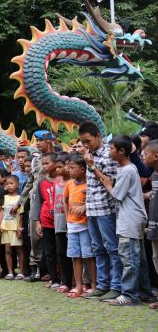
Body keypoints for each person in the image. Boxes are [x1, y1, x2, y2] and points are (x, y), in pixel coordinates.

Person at [100, 136, 153, 306]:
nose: (109, 151)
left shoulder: (128, 170)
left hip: (129, 219)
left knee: (129, 258)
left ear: (121, 152)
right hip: (133, 217)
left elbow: (118, 195)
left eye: (111, 148)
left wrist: (107, 184)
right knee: (140, 259)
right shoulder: (127, 170)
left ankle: (129, 294)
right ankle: (145, 292)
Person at [78, 121, 122, 301]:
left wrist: (91, 165)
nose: (85, 145)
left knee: (112, 248)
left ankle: (116, 286)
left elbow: (109, 181)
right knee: (98, 249)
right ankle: (102, 285)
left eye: (88, 141)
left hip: (106, 209)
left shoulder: (108, 155)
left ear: (98, 136)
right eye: (83, 142)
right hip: (92, 209)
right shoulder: (90, 154)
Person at [13, 130, 56, 283]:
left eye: (40, 140)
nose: (37, 143)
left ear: (50, 141)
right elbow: (30, 183)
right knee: (34, 237)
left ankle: (53, 271)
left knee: (54, 237)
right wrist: (20, 202)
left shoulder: (57, 158)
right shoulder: (35, 161)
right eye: (36, 140)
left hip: (53, 200)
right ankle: (36, 268)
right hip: (35, 201)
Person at [64, 155, 96, 298]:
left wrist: (85, 207)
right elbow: (65, 200)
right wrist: (67, 218)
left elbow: (94, 201)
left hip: (85, 226)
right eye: (68, 168)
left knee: (89, 256)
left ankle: (94, 285)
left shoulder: (89, 183)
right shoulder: (69, 184)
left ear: (83, 169)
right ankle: (78, 286)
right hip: (72, 226)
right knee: (75, 256)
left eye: (72, 168)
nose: (69, 171)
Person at [34, 152, 59, 289]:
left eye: (47, 163)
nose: (44, 166)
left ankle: (64, 278)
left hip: (61, 221)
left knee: (61, 250)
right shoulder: (41, 181)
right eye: (43, 164)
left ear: (55, 163)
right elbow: (38, 202)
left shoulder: (62, 180)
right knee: (49, 251)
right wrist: (38, 222)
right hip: (46, 220)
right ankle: (53, 278)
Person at [0, 175, 25, 280]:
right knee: (7, 250)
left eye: (11, 183)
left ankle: (21, 272)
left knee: (19, 250)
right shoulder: (4, 198)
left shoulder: (20, 199)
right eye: (7, 184)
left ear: (17, 185)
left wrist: (19, 228)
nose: (9, 186)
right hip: (6, 227)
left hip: (15, 228)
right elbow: (1, 212)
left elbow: (21, 214)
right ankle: (10, 272)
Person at [53, 153, 72, 292]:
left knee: (74, 253)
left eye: (61, 167)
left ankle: (77, 281)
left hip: (72, 222)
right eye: (57, 167)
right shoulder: (56, 181)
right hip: (58, 222)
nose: (58, 170)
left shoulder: (72, 182)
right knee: (61, 253)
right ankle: (65, 281)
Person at [142, 140, 158, 310]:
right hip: (154, 228)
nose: (143, 157)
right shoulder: (154, 176)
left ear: (156, 156)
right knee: (156, 260)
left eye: (145, 154)